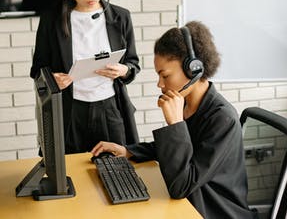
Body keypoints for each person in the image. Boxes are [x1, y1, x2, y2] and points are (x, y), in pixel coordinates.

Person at [91, 22, 256, 219]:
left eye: (165, 75)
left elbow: (182, 186)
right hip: (191, 204)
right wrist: (128, 151)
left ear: (194, 69)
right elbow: (179, 151)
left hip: (214, 211)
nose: (160, 84)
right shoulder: (188, 104)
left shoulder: (222, 119)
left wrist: (176, 124)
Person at [30, 0, 140, 154]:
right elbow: (37, 70)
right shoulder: (51, 21)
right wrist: (52, 80)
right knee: (71, 173)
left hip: (110, 109)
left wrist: (123, 70)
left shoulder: (121, 17)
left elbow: (133, 64)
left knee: (117, 171)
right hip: (70, 113)